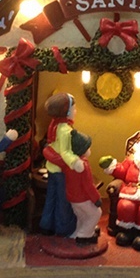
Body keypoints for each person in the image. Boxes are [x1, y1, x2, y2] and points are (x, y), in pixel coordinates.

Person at [45, 130, 102, 244]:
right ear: (82, 150)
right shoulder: (83, 166)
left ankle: (77, 232)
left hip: (72, 198)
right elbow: (88, 185)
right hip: (83, 198)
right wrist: (96, 199)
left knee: (81, 216)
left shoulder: (68, 163)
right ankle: (84, 235)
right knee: (96, 213)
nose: (90, 150)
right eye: (88, 148)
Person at [39, 93, 83, 237]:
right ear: (67, 111)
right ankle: (63, 228)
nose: (76, 111)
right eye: (74, 108)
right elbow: (65, 152)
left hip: (52, 168)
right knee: (63, 200)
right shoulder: (65, 130)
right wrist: (76, 162)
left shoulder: (54, 125)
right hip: (61, 171)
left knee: (51, 197)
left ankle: (46, 225)